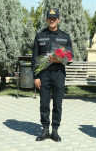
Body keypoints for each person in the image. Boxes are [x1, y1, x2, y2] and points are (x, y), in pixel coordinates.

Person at [31, 8, 73, 142]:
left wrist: (59, 59)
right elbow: (35, 58)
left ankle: (55, 130)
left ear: (58, 20)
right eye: (50, 18)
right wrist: (36, 76)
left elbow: (70, 58)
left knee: (57, 103)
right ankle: (45, 130)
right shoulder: (40, 35)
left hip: (59, 74)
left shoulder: (65, 37)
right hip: (44, 74)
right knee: (44, 103)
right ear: (46, 19)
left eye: (54, 18)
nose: (52, 20)